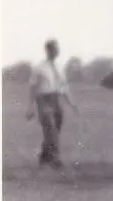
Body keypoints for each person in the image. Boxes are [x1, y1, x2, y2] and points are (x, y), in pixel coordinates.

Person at [26, 39, 78, 168]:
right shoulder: (39, 68)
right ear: (48, 50)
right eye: (55, 48)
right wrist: (30, 107)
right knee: (50, 128)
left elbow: (63, 86)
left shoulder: (60, 67)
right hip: (43, 99)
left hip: (56, 99)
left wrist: (72, 103)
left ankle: (44, 156)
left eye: (57, 48)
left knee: (55, 129)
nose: (57, 51)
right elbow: (32, 87)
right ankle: (55, 159)